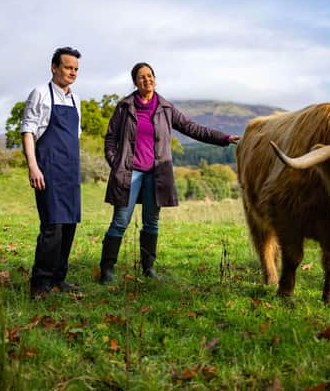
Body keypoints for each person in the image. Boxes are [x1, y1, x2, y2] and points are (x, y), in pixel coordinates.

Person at [99, 62, 240, 284]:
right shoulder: (124, 107)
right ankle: (107, 269)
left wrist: (223, 138)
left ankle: (148, 269)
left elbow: (193, 128)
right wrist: (115, 162)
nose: (147, 80)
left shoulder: (165, 108)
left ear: (155, 78)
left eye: (150, 76)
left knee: (151, 222)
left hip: (156, 175)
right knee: (120, 221)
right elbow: (110, 138)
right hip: (130, 172)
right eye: (142, 77)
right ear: (135, 82)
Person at [21, 46, 83, 299]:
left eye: (76, 69)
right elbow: (28, 131)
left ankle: (59, 278)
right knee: (52, 227)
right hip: (48, 170)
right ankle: (40, 283)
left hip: (70, 172)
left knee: (69, 226)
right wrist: (33, 166)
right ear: (54, 68)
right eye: (68, 67)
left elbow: (74, 137)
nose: (72, 73)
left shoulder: (75, 99)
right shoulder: (40, 94)